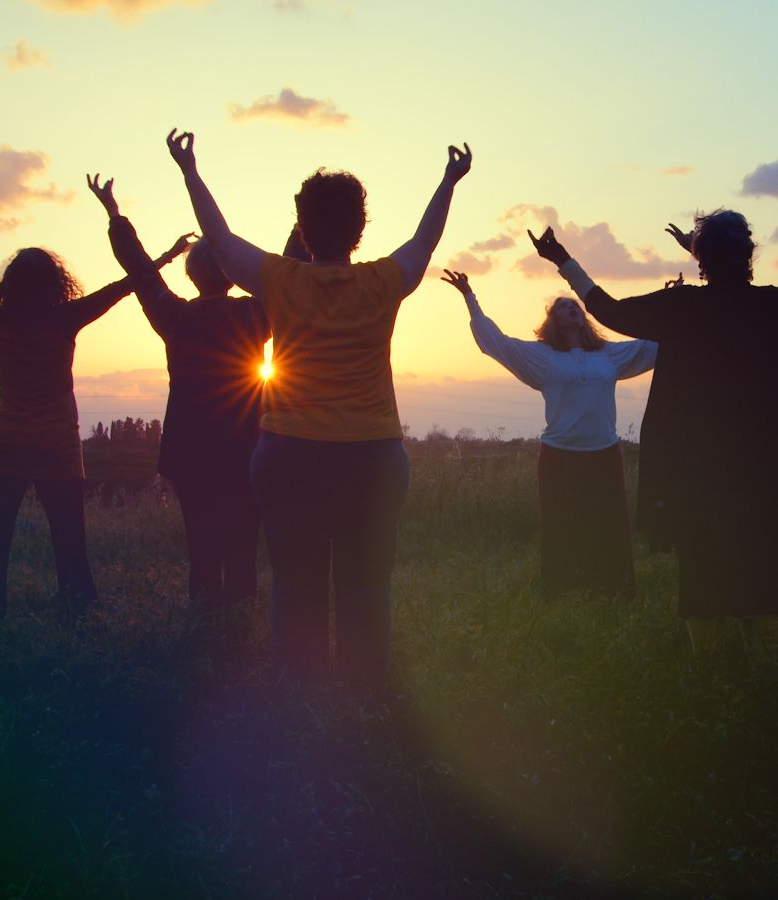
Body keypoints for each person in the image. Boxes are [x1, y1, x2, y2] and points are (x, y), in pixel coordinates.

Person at [166, 130, 472, 682]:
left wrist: (189, 170)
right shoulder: (383, 280)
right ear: (360, 229)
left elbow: (220, 236)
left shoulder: (279, 279)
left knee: (296, 585)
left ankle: (299, 701)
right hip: (373, 456)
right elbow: (424, 241)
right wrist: (448, 181)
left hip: (289, 456)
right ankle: (364, 699)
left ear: (301, 230)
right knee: (366, 587)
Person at [530, 217, 778, 654]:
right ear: (750, 253)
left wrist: (562, 260)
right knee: (758, 549)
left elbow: (608, 309)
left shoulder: (683, 306)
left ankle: (708, 664)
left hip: (695, 461)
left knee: (701, 555)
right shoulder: (770, 305)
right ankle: (757, 661)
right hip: (759, 458)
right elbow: (731, 290)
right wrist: (701, 252)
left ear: (703, 259)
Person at [0, 227, 185, 634]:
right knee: (70, 547)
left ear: (9, 284)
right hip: (57, 446)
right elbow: (124, 286)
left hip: (4, 445)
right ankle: (80, 625)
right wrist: (167, 254)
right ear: (55, 283)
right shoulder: (66, 317)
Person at [88, 174, 270, 606]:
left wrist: (115, 213)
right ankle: (238, 631)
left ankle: (205, 629)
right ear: (232, 274)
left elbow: (140, 269)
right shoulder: (256, 314)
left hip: (190, 454)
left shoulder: (175, 317)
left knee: (202, 552)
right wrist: (302, 232)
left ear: (191, 274)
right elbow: (286, 273)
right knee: (243, 550)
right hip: (247, 449)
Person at [442, 270, 656, 598]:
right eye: (562, 306)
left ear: (585, 318)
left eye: (576, 305)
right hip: (560, 455)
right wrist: (469, 297)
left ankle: (613, 589)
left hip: (604, 452)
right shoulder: (542, 358)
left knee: (610, 523)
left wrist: (671, 308)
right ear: (553, 320)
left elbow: (653, 345)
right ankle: (562, 590)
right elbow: (495, 343)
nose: (572, 308)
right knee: (561, 525)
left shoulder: (609, 355)